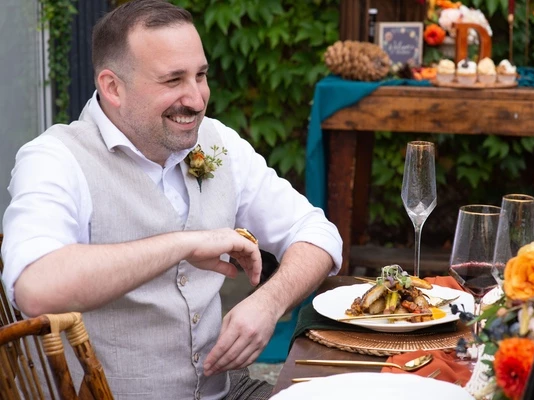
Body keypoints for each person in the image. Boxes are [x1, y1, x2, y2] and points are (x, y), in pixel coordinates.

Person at [0, 1, 342, 399]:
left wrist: (269, 302)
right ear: (112, 87)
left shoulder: (218, 142)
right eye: (173, 80)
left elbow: (318, 233)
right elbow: (35, 287)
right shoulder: (54, 158)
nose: (196, 99)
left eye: (201, 75)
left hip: (226, 391)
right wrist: (184, 243)